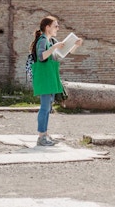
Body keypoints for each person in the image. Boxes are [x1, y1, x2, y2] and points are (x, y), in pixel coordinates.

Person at [31, 16, 83, 146]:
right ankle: (41, 137)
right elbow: (41, 57)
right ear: (47, 27)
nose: (58, 28)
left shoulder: (51, 40)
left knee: (48, 107)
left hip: (50, 76)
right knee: (44, 107)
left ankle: (45, 135)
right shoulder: (42, 40)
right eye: (56, 26)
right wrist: (54, 47)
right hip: (44, 78)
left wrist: (75, 46)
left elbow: (62, 54)